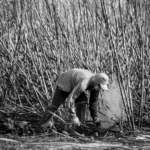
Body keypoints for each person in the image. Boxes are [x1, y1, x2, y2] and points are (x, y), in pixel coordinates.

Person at [37, 68, 109, 130]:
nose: (100, 88)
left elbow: (93, 102)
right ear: (96, 82)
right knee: (54, 105)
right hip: (65, 81)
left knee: (83, 102)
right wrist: (73, 116)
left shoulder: (96, 85)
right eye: (100, 86)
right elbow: (71, 99)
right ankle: (41, 126)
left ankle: (79, 126)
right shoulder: (84, 83)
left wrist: (95, 118)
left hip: (76, 82)